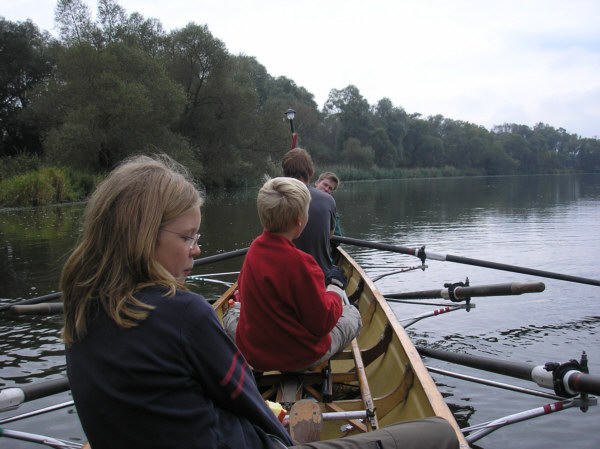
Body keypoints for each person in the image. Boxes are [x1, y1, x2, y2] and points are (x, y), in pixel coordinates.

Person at [60, 155, 293, 449]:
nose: (196, 250)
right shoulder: (186, 314)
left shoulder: (80, 311)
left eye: (197, 237)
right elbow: (251, 404)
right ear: (143, 238)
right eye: (187, 237)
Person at [228, 177, 362, 372]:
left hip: (255, 355)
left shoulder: (254, 250)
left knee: (232, 311)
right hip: (301, 357)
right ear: (300, 222)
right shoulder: (304, 265)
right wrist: (334, 288)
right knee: (352, 314)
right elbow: (322, 323)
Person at [282, 148, 336, 275]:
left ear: (283, 173)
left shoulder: (273, 198)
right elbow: (329, 235)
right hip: (319, 274)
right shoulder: (328, 200)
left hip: (284, 275)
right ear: (311, 173)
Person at [315, 171, 342, 239]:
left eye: (330, 188)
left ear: (331, 193)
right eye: (325, 185)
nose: (326, 189)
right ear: (317, 183)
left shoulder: (332, 210)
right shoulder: (303, 199)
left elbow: (337, 240)